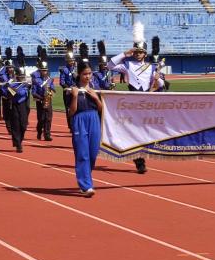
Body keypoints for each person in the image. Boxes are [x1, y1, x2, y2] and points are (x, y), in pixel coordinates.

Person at [107, 21, 165, 174]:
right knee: (133, 132)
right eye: (136, 52)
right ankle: (139, 161)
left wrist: (158, 79)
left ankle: (141, 155)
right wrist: (124, 53)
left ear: (145, 54)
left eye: (140, 52)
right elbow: (110, 66)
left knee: (144, 132)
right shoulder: (127, 65)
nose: (138, 54)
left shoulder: (151, 67)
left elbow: (161, 84)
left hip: (145, 103)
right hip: (131, 103)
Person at [69, 57, 102, 198]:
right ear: (79, 74)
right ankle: (86, 186)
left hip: (94, 119)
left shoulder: (95, 88)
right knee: (82, 154)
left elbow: (102, 109)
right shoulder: (72, 89)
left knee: (93, 153)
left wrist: (96, 98)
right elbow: (71, 112)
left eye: (89, 73)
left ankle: (85, 178)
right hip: (79, 120)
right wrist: (75, 96)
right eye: (84, 74)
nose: (87, 76)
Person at [32, 55, 55, 141]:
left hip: (48, 100)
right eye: (43, 70)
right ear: (40, 70)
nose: (44, 72)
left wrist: (50, 93)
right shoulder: (36, 80)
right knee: (41, 119)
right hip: (40, 100)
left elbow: (53, 89)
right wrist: (41, 98)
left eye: (46, 70)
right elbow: (33, 92)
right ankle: (39, 131)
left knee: (48, 118)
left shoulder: (50, 79)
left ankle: (47, 134)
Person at [59, 41, 77, 130]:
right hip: (67, 92)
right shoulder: (64, 69)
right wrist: (67, 88)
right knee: (69, 108)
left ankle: (76, 124)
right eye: (70, 60)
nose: (72, 62)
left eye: (73, 60)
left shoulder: (76, 69)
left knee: (77, 107)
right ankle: (70, 125)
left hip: (76, 91)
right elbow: (62, 82)